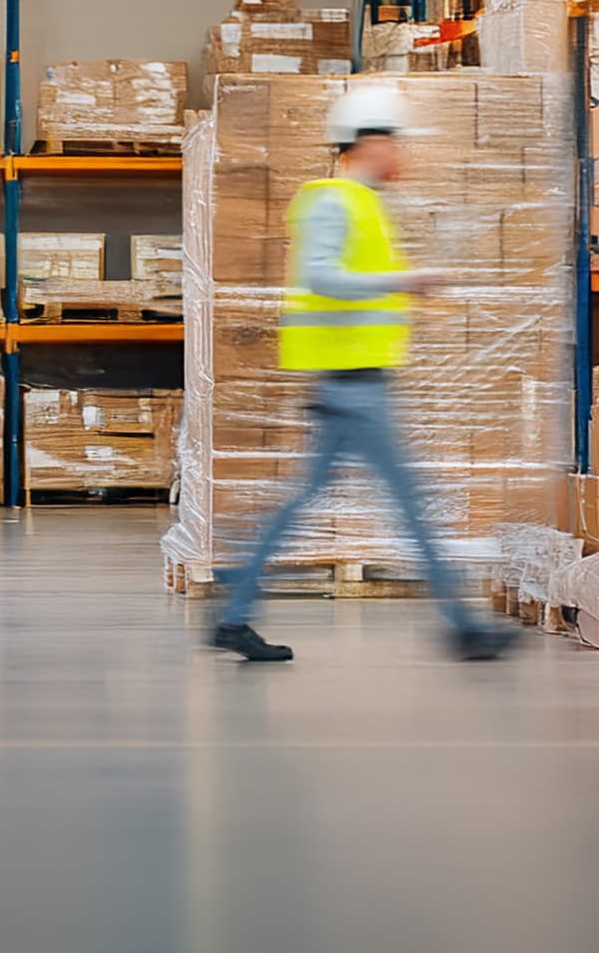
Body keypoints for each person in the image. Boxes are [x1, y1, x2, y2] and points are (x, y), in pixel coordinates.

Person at [208, 82, 520, 664]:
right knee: (410, 502)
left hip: (357, 381)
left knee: (304, 501)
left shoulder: (368, 206)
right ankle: (465, 628)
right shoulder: (333, 201)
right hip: (350, 385)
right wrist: (404, 282)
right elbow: (321, 279)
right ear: (369, 142)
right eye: (394, 142)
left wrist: (409, 297)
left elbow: (360, 288)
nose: (402, 155)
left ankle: (233, 612)